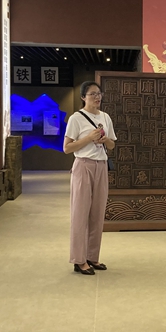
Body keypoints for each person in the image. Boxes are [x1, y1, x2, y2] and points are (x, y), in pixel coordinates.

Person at [63, 81, 117, 275]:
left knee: (97, 213)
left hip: (101, 166)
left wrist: (105, 139)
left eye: (99, 93)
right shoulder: (76, 118)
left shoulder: (105, 117)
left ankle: (92, 257)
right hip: (83, 166)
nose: (97, 97)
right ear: (83, 97)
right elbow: (67, 148)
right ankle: (79, 260)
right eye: (92, 94)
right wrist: (88, 138)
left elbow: (112, 145)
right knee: (80, 213)